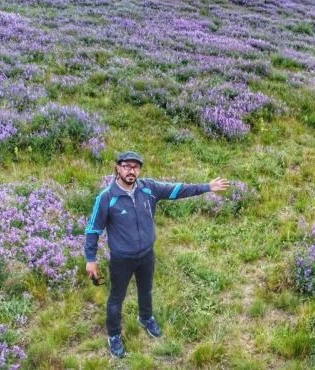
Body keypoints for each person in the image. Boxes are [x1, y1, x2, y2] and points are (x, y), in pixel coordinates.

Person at [84, 151, 229, 358]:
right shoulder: (106, 197)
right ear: (117, 168)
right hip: (121, 259)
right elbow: (93, 230)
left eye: (135, 167)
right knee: (116, 298)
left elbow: (177, 189)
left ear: (140, 170)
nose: (131, 171)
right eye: (126, 166)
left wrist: (207, 187)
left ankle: (145, 318)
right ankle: (114, 335)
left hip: (146, 255)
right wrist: (91, 260)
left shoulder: (149, 188)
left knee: (146, 290)